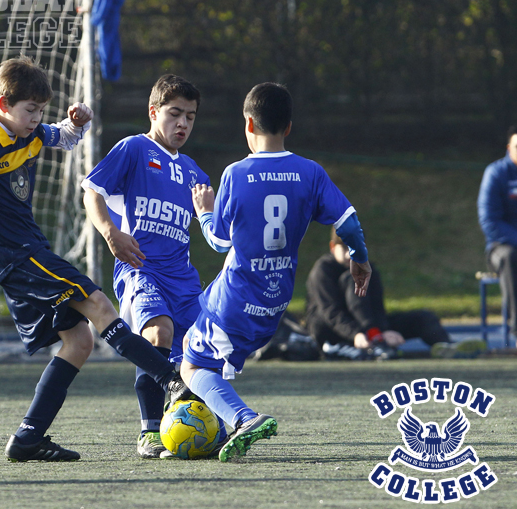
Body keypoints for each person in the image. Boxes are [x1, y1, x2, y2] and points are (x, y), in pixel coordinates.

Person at [0, 56, 188, 462]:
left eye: (40, 110)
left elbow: (62, 137)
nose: (36, 119)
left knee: (79, 340)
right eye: (30, 110)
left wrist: (78, 122)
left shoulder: (28, 133)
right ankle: (169, 378)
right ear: (2, 106)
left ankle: (28, 437)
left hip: (26, 254)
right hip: (17, 254)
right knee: (98, 303)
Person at [180, 82, 372, 462]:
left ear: (248, 124)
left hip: (237, 296)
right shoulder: (310, 172)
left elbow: (219, 242)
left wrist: (203, 209)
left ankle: (242, 419)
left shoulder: (236, 173)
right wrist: (359, 258)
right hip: (276, 301)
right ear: (288, 127)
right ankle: (212, 425)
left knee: (191, 362)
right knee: (198, 341)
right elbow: (347, 220)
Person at [82, 75, 213, 458]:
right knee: (159, 332)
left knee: (202, 350)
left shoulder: (194, 172)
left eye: (190, 116)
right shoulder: (134, 149)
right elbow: (92, 191)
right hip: (141, 269)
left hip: (184, 279)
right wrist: (110, 232)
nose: (183, 124)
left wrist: (210, 212)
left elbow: (216, 229)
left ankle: (207, 423)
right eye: (175, 114)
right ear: (154, 112)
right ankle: (150, 433)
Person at [305, 229, 450, 360]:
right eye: (344, 247)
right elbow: (331, 312)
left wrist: (383, 330)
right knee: (352, 279)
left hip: (369, 330)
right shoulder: (322, 270)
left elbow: (376, 307)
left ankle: (446, 346)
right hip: (332, 331)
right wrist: (356, 334)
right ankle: (362, 346)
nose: (349, 254)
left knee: (423, 318)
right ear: (332, 247)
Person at [478, 125, 517, 339]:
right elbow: (490, 221)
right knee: (511, 257)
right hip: (501, 248)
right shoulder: (496, 173)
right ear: (509, 147)